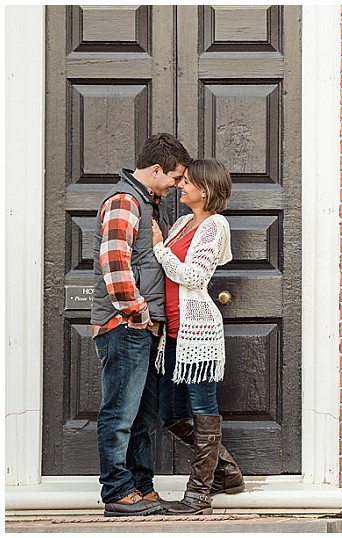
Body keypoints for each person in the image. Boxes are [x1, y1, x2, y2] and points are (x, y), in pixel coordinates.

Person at [91, 133, 191, 517]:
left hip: (142, 328)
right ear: (155, 170)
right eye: (176, 177)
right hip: (125, 326)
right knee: (119, 413)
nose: (179, 185)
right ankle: (117, 491)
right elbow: (114, 263)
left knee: (143, 416)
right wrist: (138, 313)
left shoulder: (148, 204)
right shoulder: (124, 202)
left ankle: (142, 488)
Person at [151, 158, 243, 516]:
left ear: (204, 189)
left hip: (198, 331)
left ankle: (199, 492)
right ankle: (227, 471)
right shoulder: (184, 222)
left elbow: (193, 277)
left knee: (203, 408)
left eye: (186, 181)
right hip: (171, 333)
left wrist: (160, 248)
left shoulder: (215, 226)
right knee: (171, 412)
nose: (180, 185)